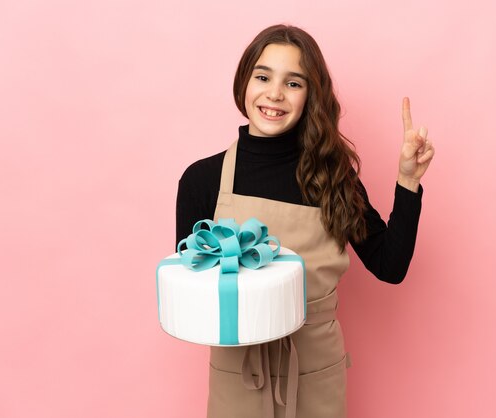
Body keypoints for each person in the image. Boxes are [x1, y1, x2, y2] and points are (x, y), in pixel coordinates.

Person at [176, 24, 434, 418]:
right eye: (263, 76)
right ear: (244, 81)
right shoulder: (202, 180)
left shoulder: (333, 178)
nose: (274, 94)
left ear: (310, 95)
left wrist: (408, 182)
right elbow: (192, 295)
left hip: (315, 373)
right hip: (239, 375)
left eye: (293, 83)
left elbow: (390, 266)